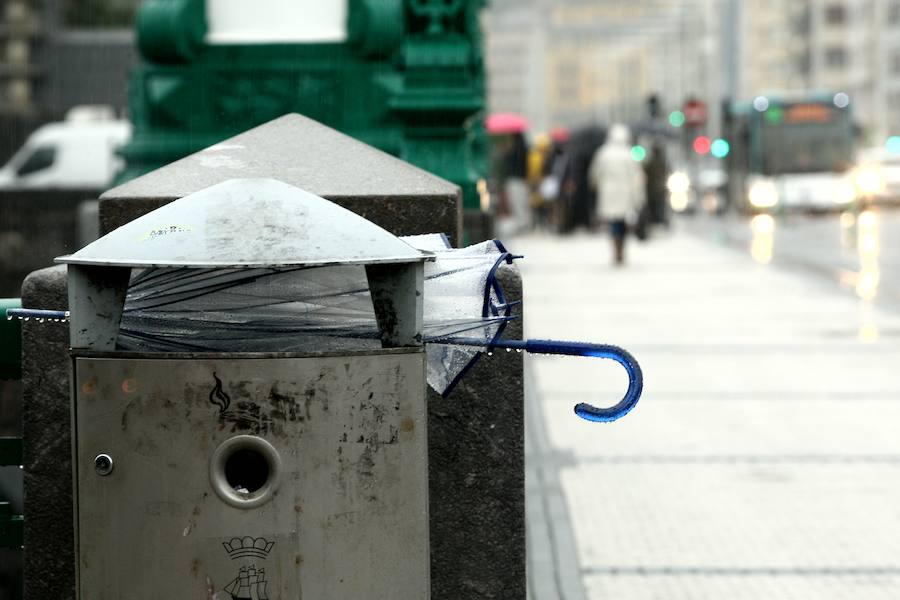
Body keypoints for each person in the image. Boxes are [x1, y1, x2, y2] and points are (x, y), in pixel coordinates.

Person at [588, 124, 646, 266]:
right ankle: (621, 248)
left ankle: (616, 248)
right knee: (622, 221)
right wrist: (639, 196)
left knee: (612, 221)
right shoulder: (629, 154)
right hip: (624, 192)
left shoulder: (603, 153)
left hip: (608, 191)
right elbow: (636, 176)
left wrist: (595, 185)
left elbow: (594, 173)